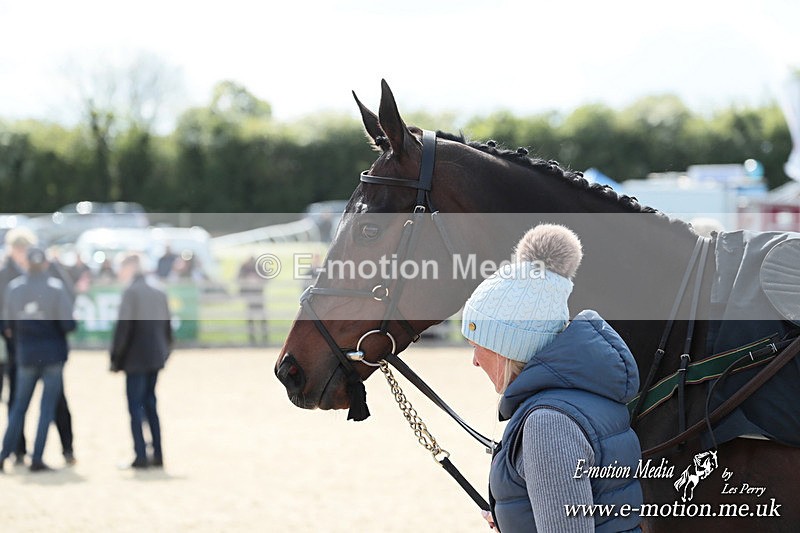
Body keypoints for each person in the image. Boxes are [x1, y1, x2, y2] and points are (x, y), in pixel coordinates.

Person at [462, 224, 642, 532]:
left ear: (509, 348)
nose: (475, 361)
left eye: (479, 346)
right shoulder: (586, 398)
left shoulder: (549, 424)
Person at [0, 247, 76, 473]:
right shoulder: (55, 288)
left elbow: (7, 326)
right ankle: (37, 457)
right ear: (44, 264)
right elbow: (68, 324)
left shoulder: (15, 289)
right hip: (52, 356)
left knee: (18, 407)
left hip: (25, 356)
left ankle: (4, 454)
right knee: (46, 408)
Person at [110, 254, 172, 469]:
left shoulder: (131, 292)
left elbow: (123, 329)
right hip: (154, 357)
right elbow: (167, 327)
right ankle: (158, 453)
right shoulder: (158, 289)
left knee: (135, 407)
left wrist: (115, 358)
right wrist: (165, 353)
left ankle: (140, 455)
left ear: (130, 267)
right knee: (151, 405)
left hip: (134, 358)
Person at [238, 256, 267, 345]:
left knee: (262, 318)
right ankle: (252, 339)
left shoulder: (259, 268)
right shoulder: (244, 268)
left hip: (259, 295)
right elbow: (239, 278)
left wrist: (258, 280)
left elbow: (266, 278)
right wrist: (247, 280)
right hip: (249, 296)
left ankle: (264, 338)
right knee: (250, 318)